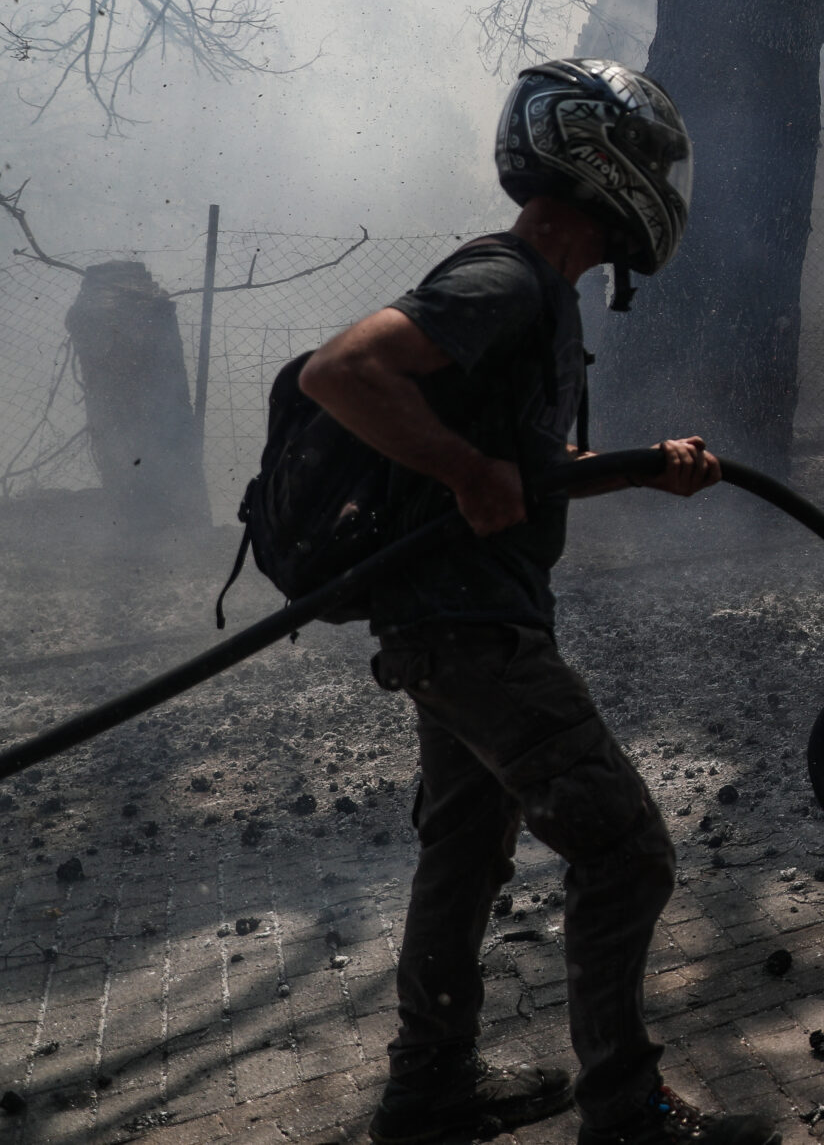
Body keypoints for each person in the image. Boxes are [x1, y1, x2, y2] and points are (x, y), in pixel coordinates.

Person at [299, 59, 778, 1145]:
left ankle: (428, 1094)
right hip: (473, 631)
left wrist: (640, 466)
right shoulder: (507, 280)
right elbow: (343, 372)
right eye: (651, 162)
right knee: (627, 851)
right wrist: (465, 473)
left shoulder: (541, 299)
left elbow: (528, 460)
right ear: (601, 163)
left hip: (456, 623)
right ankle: (626, 1114)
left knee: (464, 851)